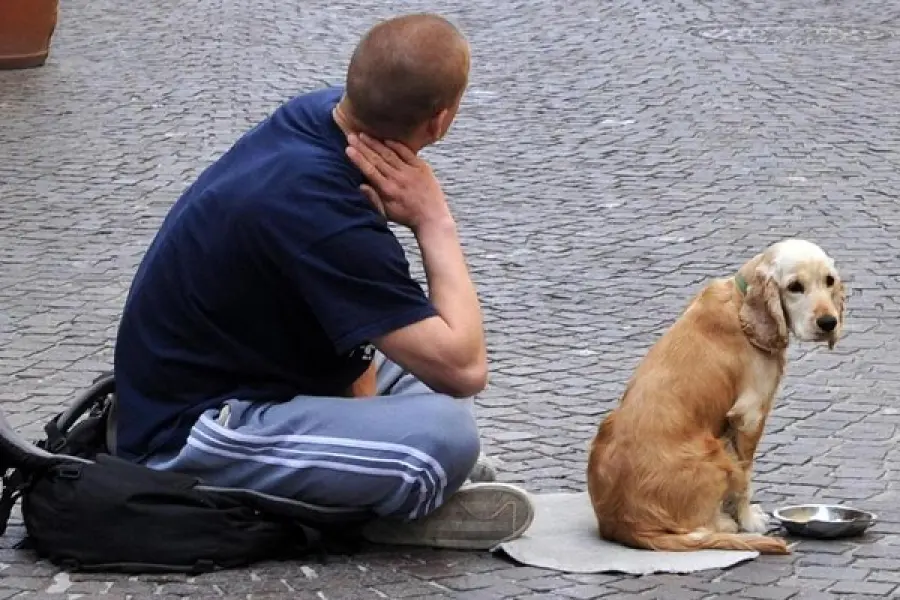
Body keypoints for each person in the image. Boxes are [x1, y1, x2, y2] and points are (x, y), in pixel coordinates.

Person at [112, 12, 534, 550]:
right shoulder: (321, 205)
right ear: (440, 121)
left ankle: (371, 475)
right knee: (445, 438)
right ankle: (371, 509)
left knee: (424, 379)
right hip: (190, 431)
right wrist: (435, 222)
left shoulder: (320, 120)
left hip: (260, 376)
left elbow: (358, 323)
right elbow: (467, 368)